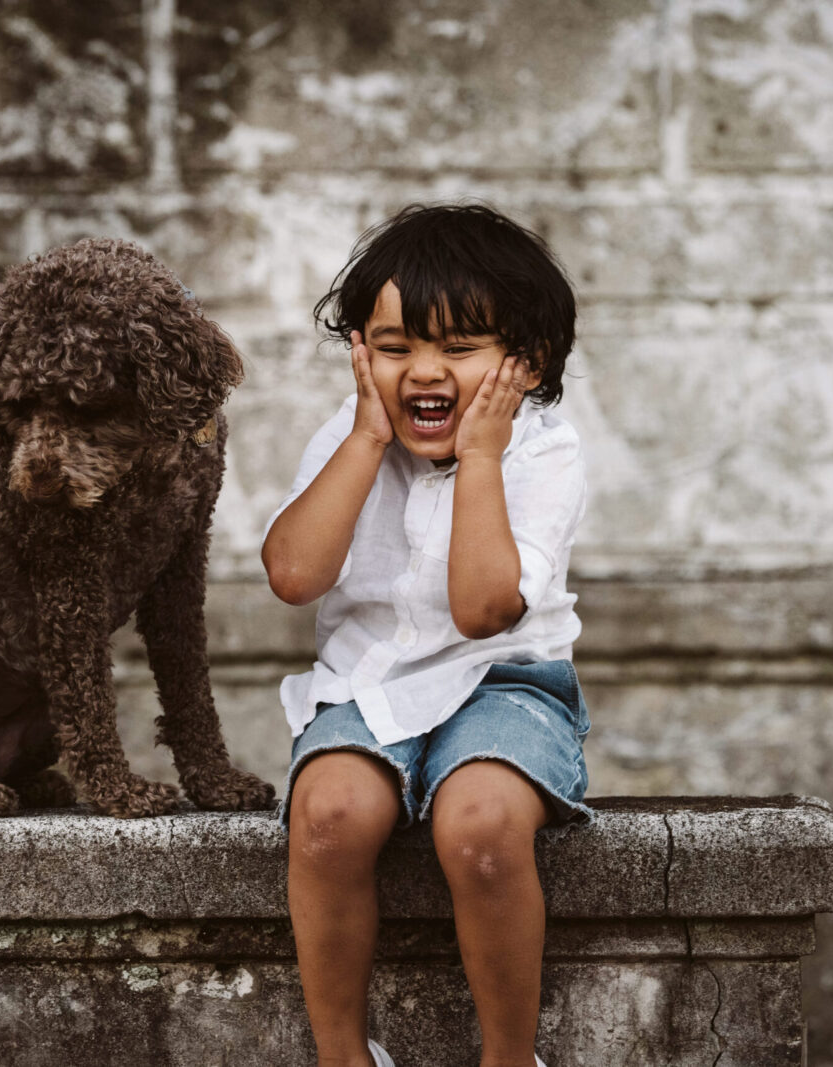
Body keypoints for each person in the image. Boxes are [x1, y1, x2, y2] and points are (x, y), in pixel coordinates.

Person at [261, 201, 593, 1067]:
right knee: (329, 812)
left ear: (527, 362)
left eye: (460, 347)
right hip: (368, 686)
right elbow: (294, 577)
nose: (424, 371)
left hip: (504, 683)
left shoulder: (542, 455)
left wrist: (479, 457)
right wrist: (368, 438)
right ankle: (342, 1055)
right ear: (361, 354)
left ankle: (508, 1058)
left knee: (479, 824)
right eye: (397, 346)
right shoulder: (350, 438)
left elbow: (486, 608)